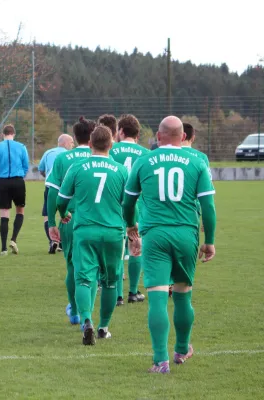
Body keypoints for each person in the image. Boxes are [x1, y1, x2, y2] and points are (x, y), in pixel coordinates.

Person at [123, 116, 216, 373]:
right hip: (186, 234)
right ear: (183, 137)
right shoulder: (197, 161)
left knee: (157, 299)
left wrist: (131, 226)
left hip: (155, 235)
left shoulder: (144, 160)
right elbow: (208, 206)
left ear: (159, 137)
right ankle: (182, 349)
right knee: (184, 296)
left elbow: (128, 202)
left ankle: (160, 360)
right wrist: (209, 241)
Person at [56, 125, 128, 345]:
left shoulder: (77, 167)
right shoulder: (122, 170)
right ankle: (103, 327)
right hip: (113, 232)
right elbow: (130, 203)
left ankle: (86, 320)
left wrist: (64, 213)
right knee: (109, 281)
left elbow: (61, 199)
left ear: (89, 144)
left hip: (85, 230)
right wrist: (132, 227)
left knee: (84, 279)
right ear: (111, 144)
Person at [45, 117, 96, 325]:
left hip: (70, 219)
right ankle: (88, 315)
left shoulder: (63, 159)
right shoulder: (102, 158)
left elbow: (52, 193)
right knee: (93, 269)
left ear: (74, 137)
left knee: (72, 267)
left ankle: (74, 311)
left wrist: (51, 222)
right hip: (98, 218)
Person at [110, 114, 150, 306]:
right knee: (136, 247)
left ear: (121, 131)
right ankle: (133, 292)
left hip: (114, 207)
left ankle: (117, 295)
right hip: (138, 207)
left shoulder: (111, 149)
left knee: (118, 250)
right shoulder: (145, 154)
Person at [0, 124, 29, 255]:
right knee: (20, 210)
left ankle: (3, 248)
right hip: (18, 181)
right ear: (14, 134)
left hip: (3, 182)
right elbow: (25, 166)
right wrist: (20, 176)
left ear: (3, 134)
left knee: (4, 214)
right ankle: (13, 239)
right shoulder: (22, 147)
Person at [38, 134, 74, 254]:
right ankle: (63, 242)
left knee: (48, 215)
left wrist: (48, 177)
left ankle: (52, 240)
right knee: (66, 213)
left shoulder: (48, 152)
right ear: (65, 143)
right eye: (71, 143)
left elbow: (41, 169)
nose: (73, 145)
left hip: (50, 187)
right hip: (66, 188)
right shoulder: (69, 155)